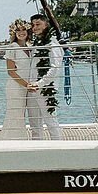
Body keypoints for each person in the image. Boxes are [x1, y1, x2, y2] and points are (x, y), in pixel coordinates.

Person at [4, 19, 45, 139]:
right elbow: (11, 71)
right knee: (16, 115)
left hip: (29, 86)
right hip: (16, 86)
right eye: (18, 30)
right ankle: (13, 141)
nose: (21, 32)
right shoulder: (12, 47)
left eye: (23, 30)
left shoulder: (30, 46)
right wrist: (26, 84)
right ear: (14, 32)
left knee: (34, 115)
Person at [28, 12, 64, 140]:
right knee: (34, 123)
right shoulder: (37, 42)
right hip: (32, 88)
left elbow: (54, 68)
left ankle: (58, 147)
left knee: (50, 121)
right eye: (33, 25)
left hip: (46, 89)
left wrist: (40, 83)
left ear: (46, 25)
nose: (35, 27)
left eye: (38, 24)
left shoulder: (52, 43)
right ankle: (38, 148)